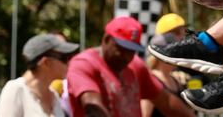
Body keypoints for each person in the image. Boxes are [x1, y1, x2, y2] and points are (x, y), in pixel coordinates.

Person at [65, 16, 194, 117]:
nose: (126, 57)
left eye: (132, 51)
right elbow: (93, 106)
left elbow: (165, 101)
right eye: (121, 49)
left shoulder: (136, 66)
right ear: (106, 39)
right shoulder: (83, 64)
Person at [0, 33, 79, 117]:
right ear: (46, 62)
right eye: (64, 58)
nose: (69, 63)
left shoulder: (54, 96)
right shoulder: (15, 89)